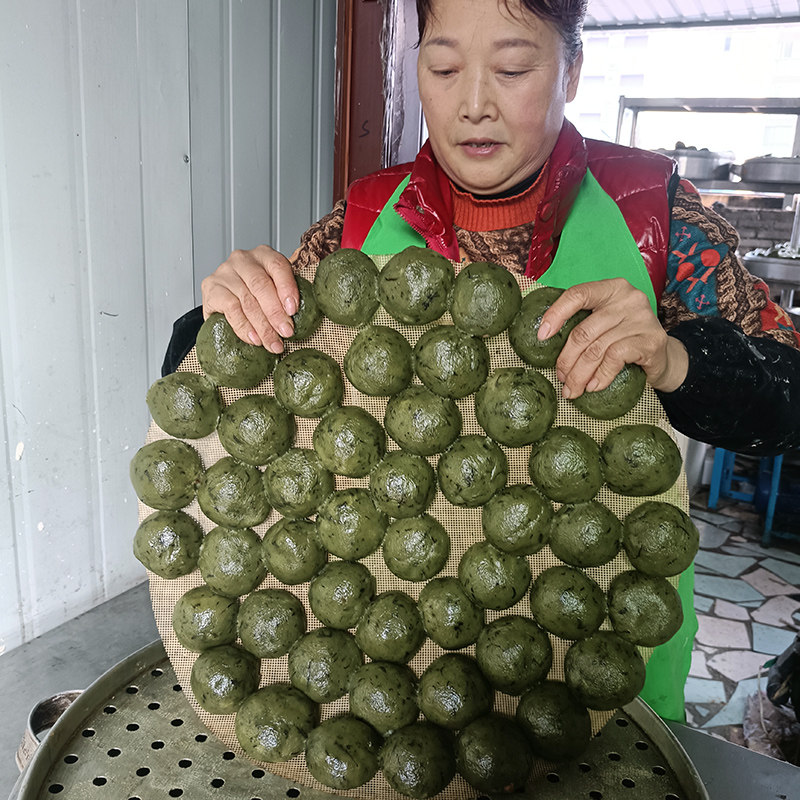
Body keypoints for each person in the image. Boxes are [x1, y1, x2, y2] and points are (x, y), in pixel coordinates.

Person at [167, 0, 800, 722]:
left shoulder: (656, 212)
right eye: (442, 67)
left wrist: (676, 357)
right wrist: (221, 315)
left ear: (571, 72)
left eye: (511, 68)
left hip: (593, 646)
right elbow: (222, 393)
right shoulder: (363, 218)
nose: (472, 104)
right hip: (385, 664)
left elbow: (790, 403)